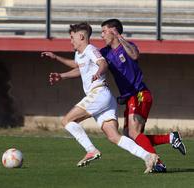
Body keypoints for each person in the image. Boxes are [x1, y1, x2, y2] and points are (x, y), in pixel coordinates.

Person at [41, 22, 158, 173]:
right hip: (104, 99)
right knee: (114, 136)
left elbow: (102, 63)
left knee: (66, 120)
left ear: (81, 36)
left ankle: (91, 150)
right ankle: (148, 156)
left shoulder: (91, 49)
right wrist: (60, 70)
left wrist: (99, 72)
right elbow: (79, 67)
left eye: (72, 37)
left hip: (98, 93)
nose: (70, 41)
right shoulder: (80, 54)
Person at [99, 18, 186, 172]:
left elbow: (135, 56)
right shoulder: (104, 52)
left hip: (139, 94)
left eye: (104, 31)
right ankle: (170, 138)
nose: (101, 35)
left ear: (113, 31)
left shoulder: (127, 46)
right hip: (130, 98)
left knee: (134, 133)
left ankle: (157, 162)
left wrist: (119, 37)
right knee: (130, 136)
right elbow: (90, 61)